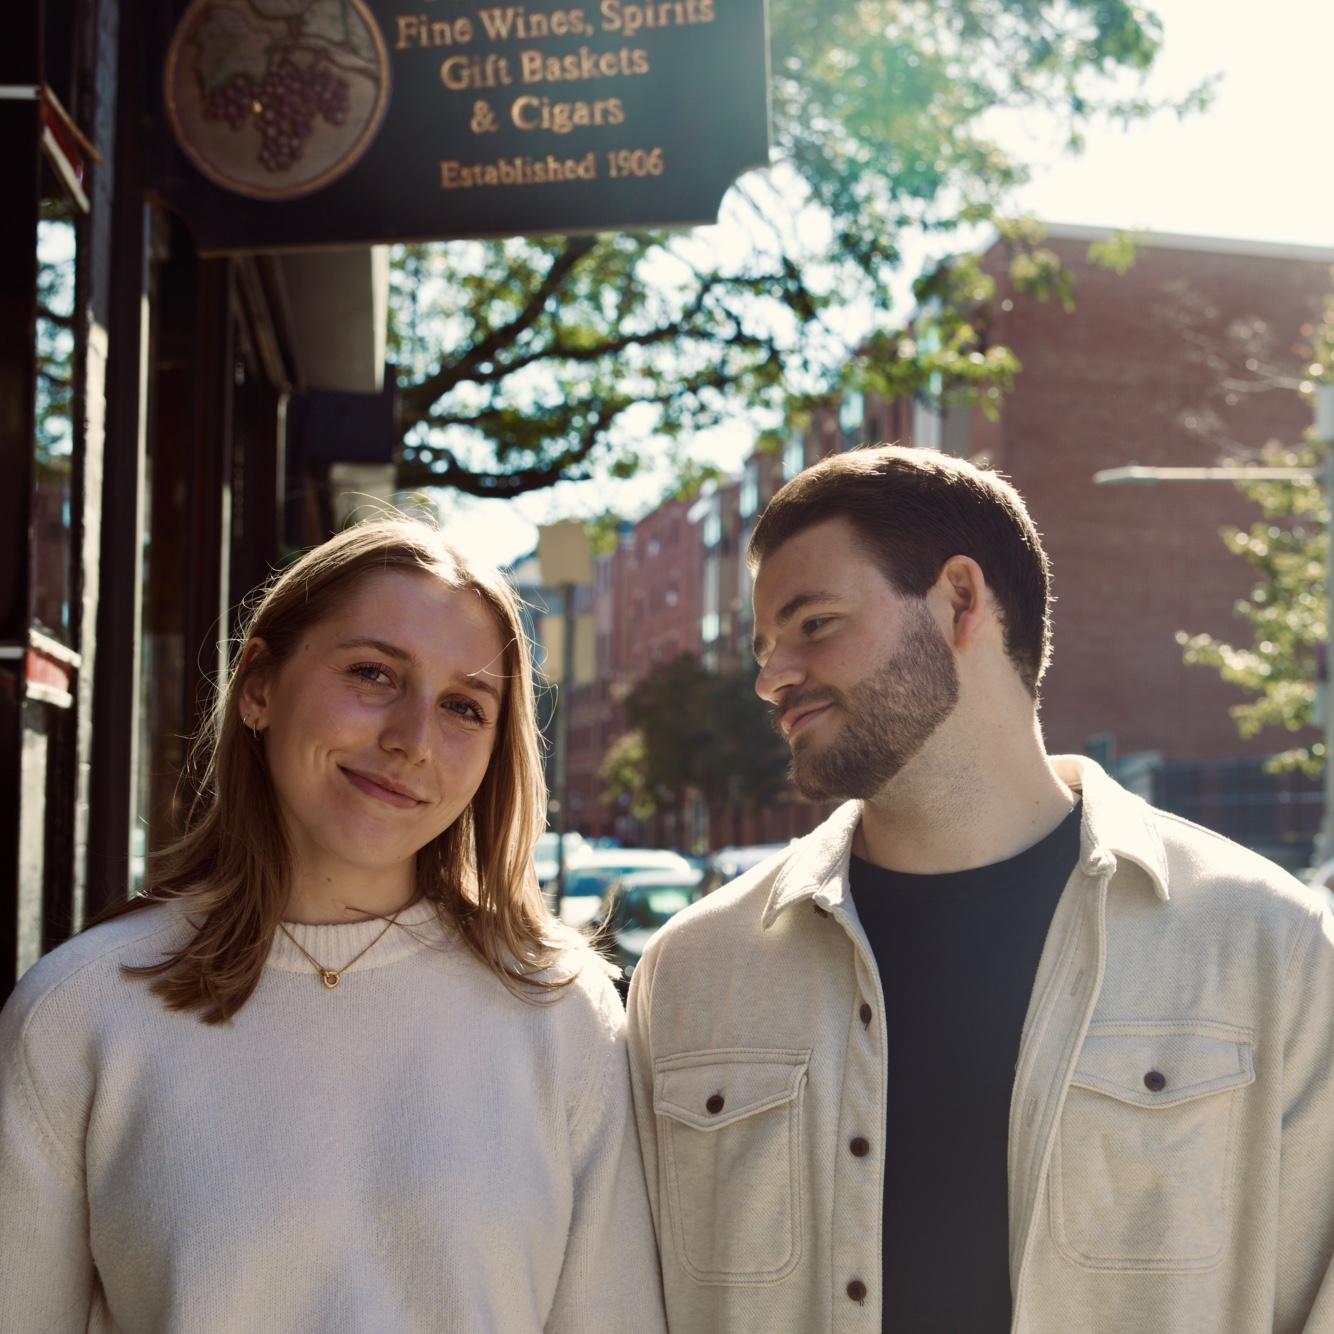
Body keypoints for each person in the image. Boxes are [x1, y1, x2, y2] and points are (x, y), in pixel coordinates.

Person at [627, 445, 1334, 1333]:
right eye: (766, 648)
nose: (772, 679)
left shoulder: (1270, 952)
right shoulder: (694, 973)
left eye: (814, 624)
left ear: (961, 600)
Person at [0, 517, 667, 1333]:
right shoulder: (79, 1014)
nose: (412, 740)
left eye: (463, 705)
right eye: (374, 674)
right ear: (258, 687)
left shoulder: (565, 1016)